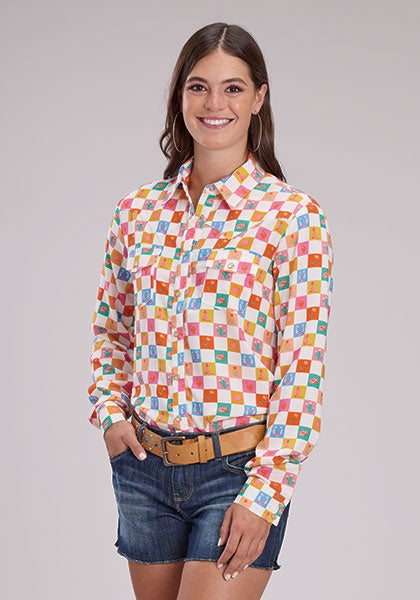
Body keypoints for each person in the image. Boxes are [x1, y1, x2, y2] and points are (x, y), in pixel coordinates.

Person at [88, 22, 334, 600]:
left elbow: (301, 368)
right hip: (144, 470)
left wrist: (264, 495)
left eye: (232, 88)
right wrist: (111, 415)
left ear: (259, 98)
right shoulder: (137, 212)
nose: (213, 103)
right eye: (198, 87)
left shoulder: (292, 217)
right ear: (180, 95)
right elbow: (113, 330)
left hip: (237, 474)